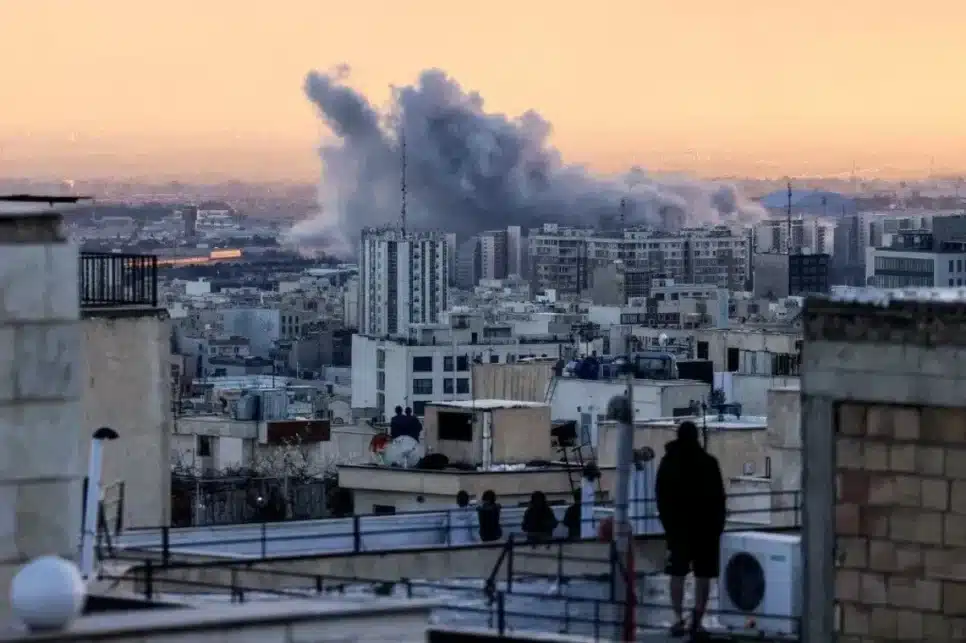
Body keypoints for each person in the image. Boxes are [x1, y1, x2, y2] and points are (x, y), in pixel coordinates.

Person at [655, 420, 727, 638]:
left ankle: (678, 619)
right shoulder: (708, 462)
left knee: (677, 573)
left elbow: (661, 497)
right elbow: (719, 498)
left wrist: (669, 525)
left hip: (678, 529)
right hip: (705, 529)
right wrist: (717, 526)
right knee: (703, 575)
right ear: (697, 437)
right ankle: (698, 620)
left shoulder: (668, 463)